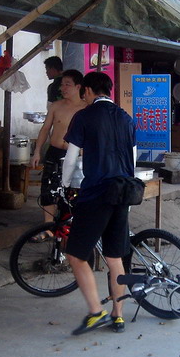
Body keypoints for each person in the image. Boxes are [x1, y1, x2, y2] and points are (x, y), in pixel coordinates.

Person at [62, 72, 136, 335]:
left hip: (96, 193)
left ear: (88, 91)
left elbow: (71, 158)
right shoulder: (125, 118)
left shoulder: (84, 116)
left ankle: (96, 312)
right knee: (115, 257)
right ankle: (118, 315)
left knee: (75, 254)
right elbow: (132, 158)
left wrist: (64, 184)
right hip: (123, 191)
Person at [29, 69, 87, 235]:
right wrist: (37, 151)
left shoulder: (86, 108)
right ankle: (48, 227)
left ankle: (70, 226)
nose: (63, 88)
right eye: (62, 84)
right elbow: (45, 129)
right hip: (54, 152)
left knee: (72, 191)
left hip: (74, 155)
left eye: (67, 84)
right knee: (48, 188)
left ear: (78, 87)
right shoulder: (56, 106)